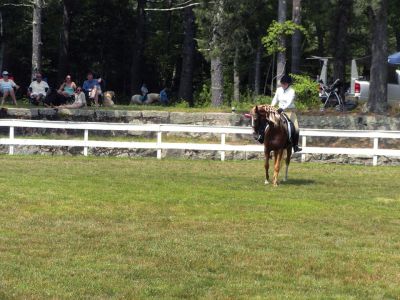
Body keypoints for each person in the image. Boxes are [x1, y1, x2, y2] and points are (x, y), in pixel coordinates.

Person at [271, 75, 302, 152]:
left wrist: (282, 108)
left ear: (288, 84)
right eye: (282, 83)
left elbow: (289, 102)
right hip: (278, 110)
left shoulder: (292, 91)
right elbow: (275, 99)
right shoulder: (278, 90)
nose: (283, 85)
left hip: (289, 111)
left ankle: (295, 145)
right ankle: (266, 141)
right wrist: (271, 106)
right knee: (270, 123)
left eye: (285, 84)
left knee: (296, 128)